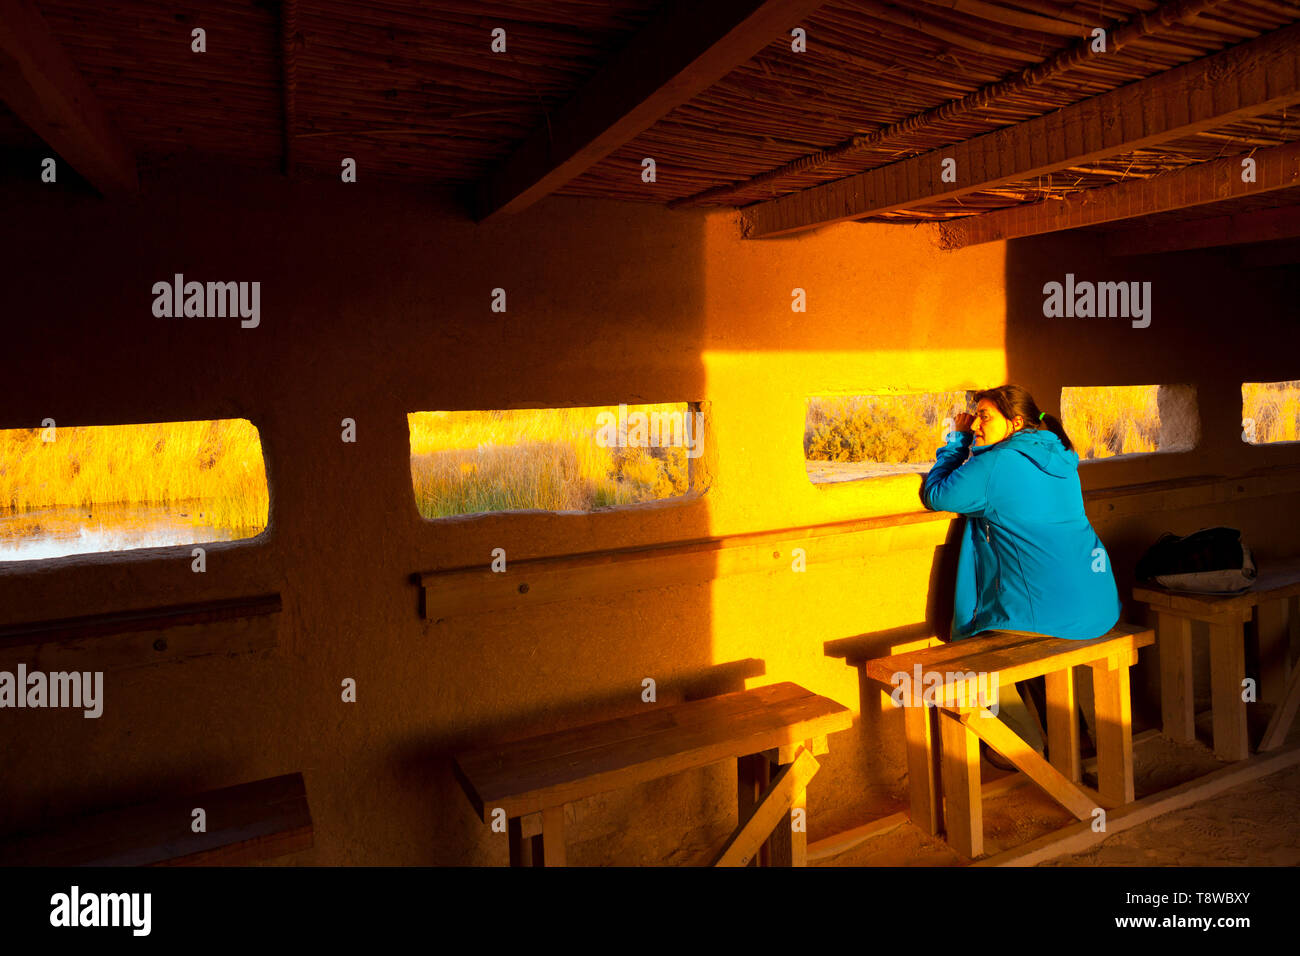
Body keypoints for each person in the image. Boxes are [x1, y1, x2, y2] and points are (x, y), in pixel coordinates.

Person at [920, 385, 1121, 768]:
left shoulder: (998, 464)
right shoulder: (1060, 456)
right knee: (1030, 636)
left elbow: (938, 495)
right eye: (975, 416)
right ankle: (1077, 746)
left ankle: (1015, 748)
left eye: (984, 417)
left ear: (1014, 423)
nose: (977, 424)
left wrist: (956, 443)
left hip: (1053, 613)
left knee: (989, 651)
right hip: (1098, 603)